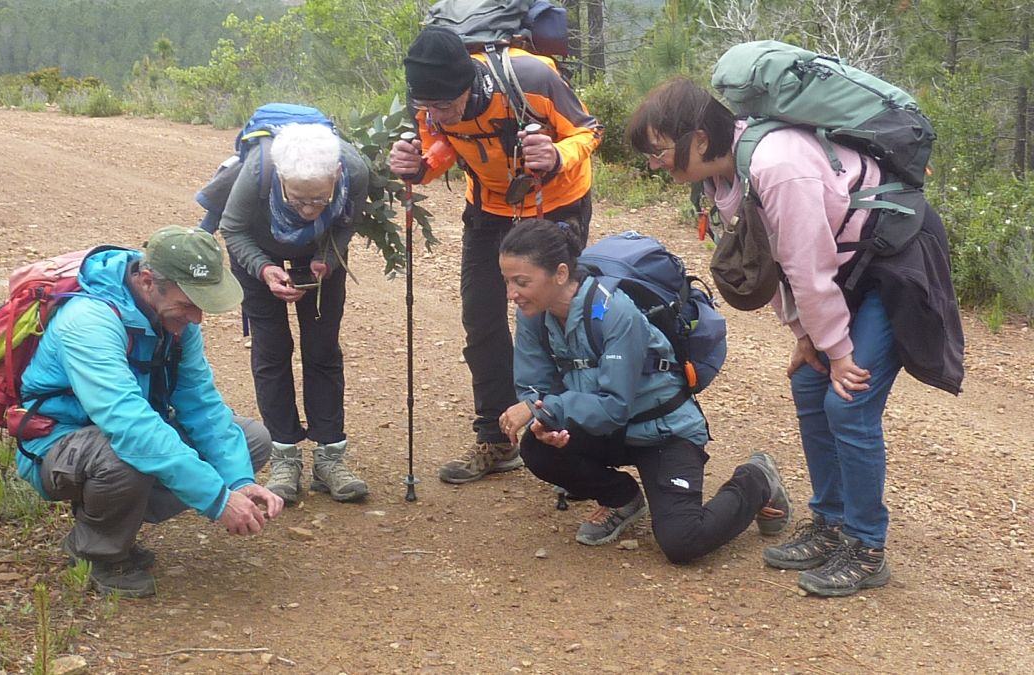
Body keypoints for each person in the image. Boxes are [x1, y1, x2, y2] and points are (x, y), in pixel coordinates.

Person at [628, 77, 961, 595]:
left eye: (660, 151)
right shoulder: (724, 177)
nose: (656, 164)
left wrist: (840, 351)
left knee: (849, 401)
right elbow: (772, 262)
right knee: (810, 382)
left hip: (895, 263)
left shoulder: (777, 166)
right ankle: (830, 524)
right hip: (848, 265)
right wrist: (807, 337)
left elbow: (808, 269)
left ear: (697, 138)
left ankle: (868, 547)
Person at [497, 219, 791, 562]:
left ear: (560, 274)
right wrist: (543, 421)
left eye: (521, 282)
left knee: (682, 542)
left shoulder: (615, 312)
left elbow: (613, 407)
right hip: (606, 430)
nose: (511, 294)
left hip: (663, 432)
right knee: (538, 448)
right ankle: (622, 498)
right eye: (507, 282)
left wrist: (543, 408)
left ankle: (757, 479)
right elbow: (536, 386)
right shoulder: (534, 314)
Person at [16, 226, 283, 598]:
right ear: (146, 280)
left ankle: (116, 516)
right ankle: (97, 553)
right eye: (189, 302)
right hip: (57, 446)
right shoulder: (89, 322)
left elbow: (202, 404)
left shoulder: (172, 319)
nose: (197, 318)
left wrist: (237, 481)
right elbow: (130, 426)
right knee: (126, 456)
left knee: (251, 440)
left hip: (118, 437)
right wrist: (217, 499)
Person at [389, 27, 602, 484]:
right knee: (482, 319)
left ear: (468, 82)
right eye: (428, 106)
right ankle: (495, 437)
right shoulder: (427, 99)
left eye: (445, 105)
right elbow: (442, 144)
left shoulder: (531, 78)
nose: (435, 112)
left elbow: (589, 131)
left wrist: (557, 153)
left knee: (552, 316)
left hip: (556, 200)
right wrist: (419, 167)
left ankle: (561, 428)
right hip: (488, 207)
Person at [219, 123, 371, 504]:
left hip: (321, 254)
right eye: (297, 199)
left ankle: (329, 458)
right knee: (272, 350)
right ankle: (284, 455)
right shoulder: (258, 171)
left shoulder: (354, 170)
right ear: (281, 178)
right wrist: (264, 269)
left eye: (319, 199)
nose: (307, 210)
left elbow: (346, 223)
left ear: (336, 176)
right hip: (257, 249)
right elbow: (232, 229)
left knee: (322, 349)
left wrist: (325, 258)